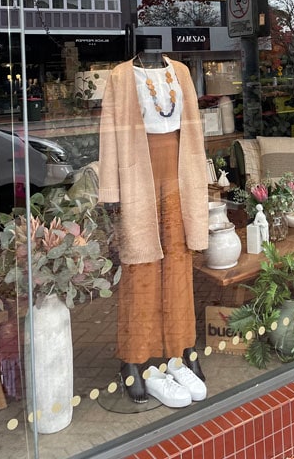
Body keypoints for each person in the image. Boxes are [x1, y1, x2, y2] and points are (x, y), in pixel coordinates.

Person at [98, 54, 209, 406]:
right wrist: (111, 192)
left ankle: (182, 348)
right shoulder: (120, 75)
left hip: (179, 170)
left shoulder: (181, 72)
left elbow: (194, 130)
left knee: (179, 261)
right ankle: (132, 359)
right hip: (138, 172)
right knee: (140, 267)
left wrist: (200, 178)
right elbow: (109, 134)